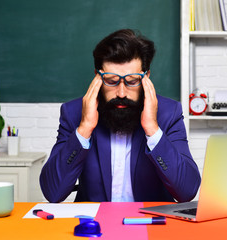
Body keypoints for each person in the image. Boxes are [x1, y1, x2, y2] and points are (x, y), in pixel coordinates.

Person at [40, 29, 201, 203]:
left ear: (146, 77)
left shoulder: (169, 113)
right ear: (97, 77)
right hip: (94, 225)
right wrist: (85, 128)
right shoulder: (73, 113)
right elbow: (52, 192)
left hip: (150, 224)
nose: (122, 93)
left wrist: (153, 129)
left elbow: (187, 191)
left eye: (132, 81)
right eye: (111, 81)